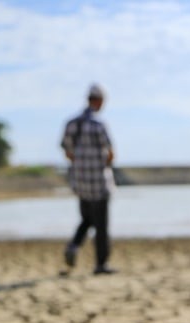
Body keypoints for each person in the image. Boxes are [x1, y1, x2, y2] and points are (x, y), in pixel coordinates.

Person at [61, 84, 116, 275]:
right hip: (99, 183)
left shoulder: (72, 123)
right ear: (98, 101)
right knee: (101, 225)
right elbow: (109, 153)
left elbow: (67, 152)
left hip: (80, 182)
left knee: (86, 219)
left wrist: (80, 165)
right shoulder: (98, 125)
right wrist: (103, 164)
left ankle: (74, 246)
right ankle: (101, 264)